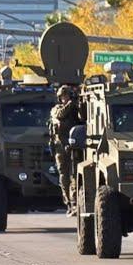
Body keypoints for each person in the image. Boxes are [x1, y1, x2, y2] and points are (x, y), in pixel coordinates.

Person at [50, 85, 80, 217]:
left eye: (67, 96)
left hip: (73, 146)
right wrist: (70, 104)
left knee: (74, 174)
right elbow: (60, 114)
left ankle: (75, 202)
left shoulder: (74, 109)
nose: (65, 98)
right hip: (60, 147)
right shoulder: (57, 109)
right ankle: (68, 202)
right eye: (63, 97)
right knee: (64, 176)